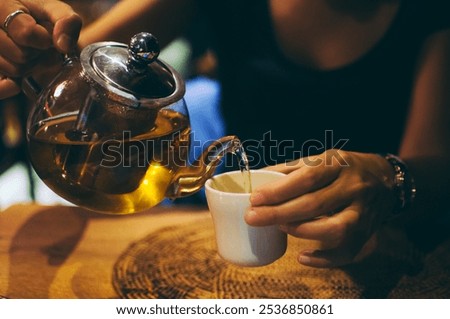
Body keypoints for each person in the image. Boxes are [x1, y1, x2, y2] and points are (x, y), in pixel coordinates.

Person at [0, 0, 449, 269]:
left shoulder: (430, 12)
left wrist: (391, 178)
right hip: (248, 218)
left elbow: (436, 167)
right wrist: (29, 41)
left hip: (385, 246)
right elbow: (69, 62)